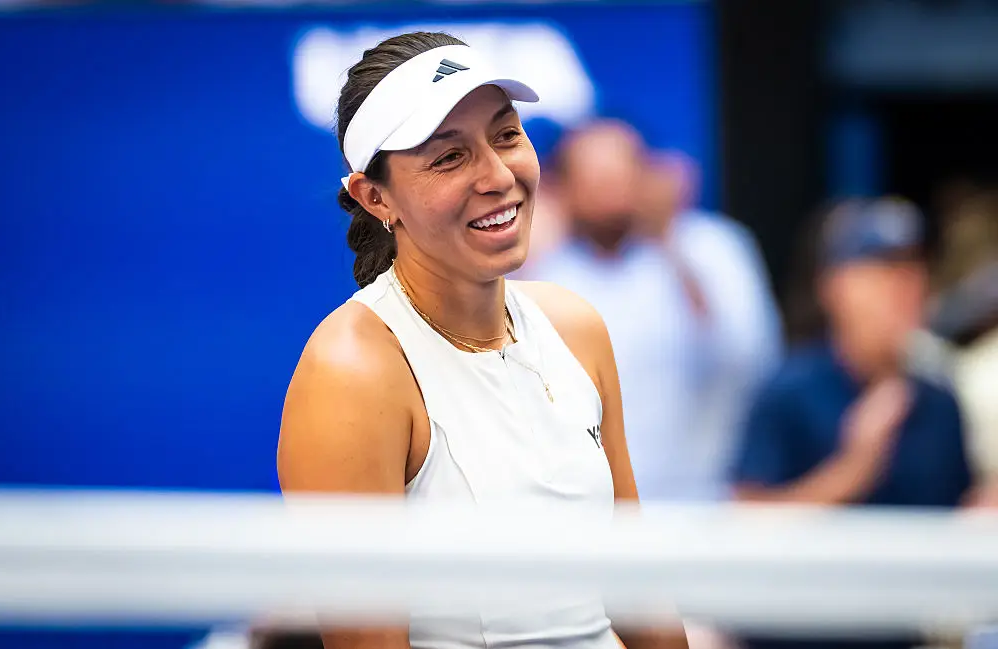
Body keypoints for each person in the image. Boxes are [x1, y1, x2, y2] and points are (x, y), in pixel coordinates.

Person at [277, 32, 678, 649]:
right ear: (374, 196)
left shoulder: (575, 326)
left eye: (506, 135)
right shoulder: (351, 369)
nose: (497, 176)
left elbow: (638, 594)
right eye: (448, 157)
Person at [731, 197, 975, 649]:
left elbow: (956, 517)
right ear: (835, 286)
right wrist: (852, 471)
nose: (902, 288)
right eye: (881, 270)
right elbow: (744, 533)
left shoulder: (939, 398)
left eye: (913, 269)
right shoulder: (790, 389)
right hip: (801, 637)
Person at [527, 121, 781, 503]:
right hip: (580, 506)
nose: (610, 190)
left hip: (696, 502)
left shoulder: (710, 246)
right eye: (593, 177)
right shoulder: (545, 264)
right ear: (562, 187)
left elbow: (750, 360)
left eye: (621, 173)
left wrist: (668, 241)